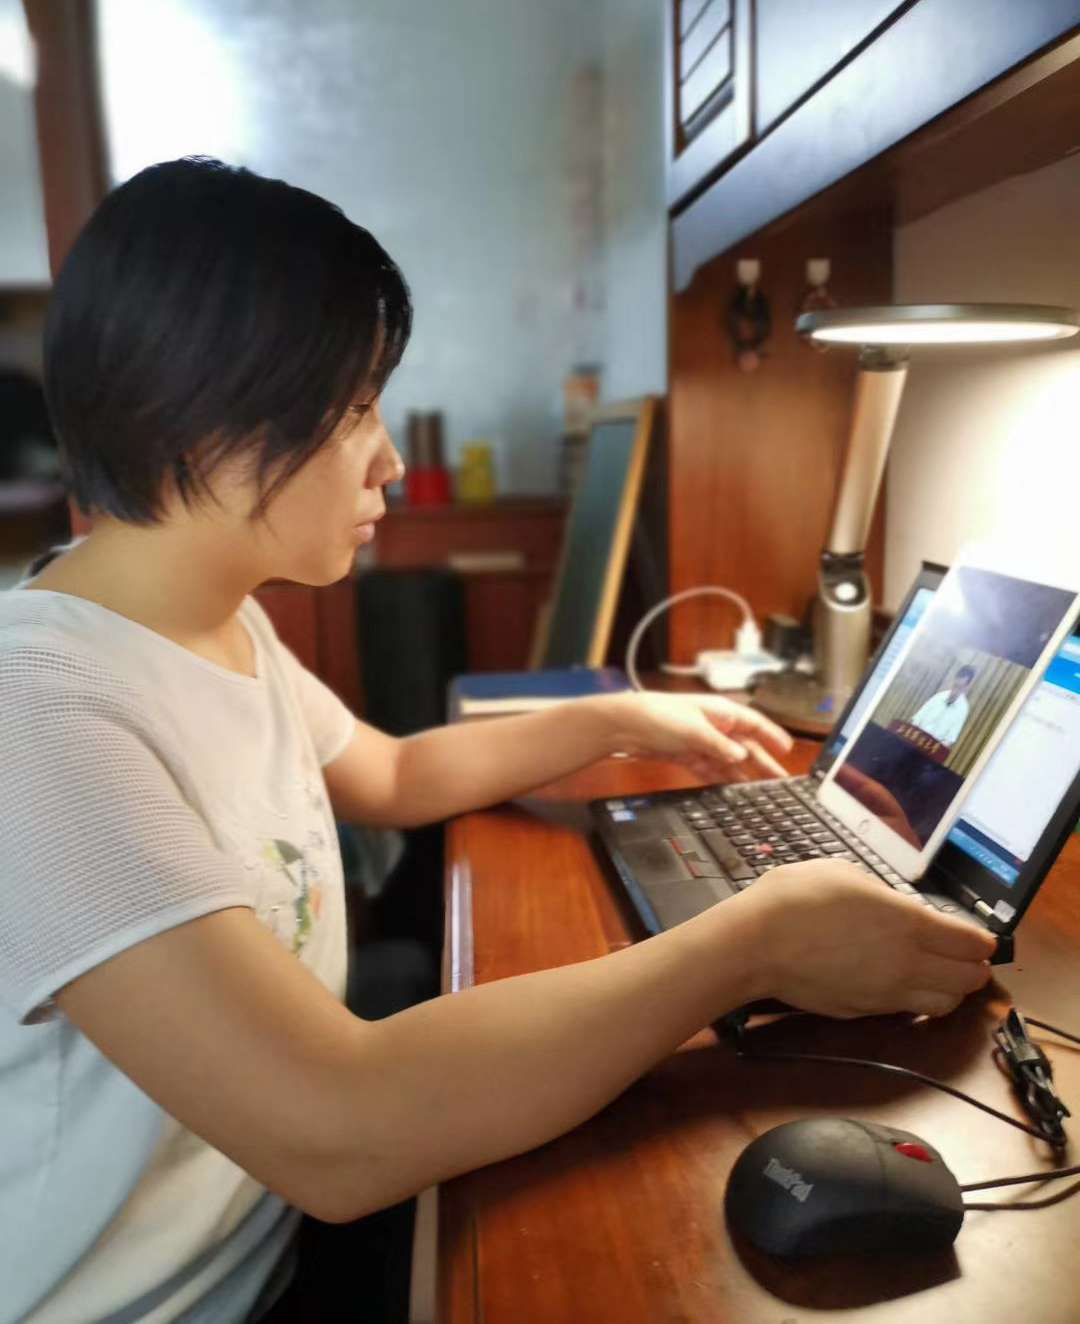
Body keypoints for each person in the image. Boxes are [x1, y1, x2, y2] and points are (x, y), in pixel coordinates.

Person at [0, 159, 997, 1324]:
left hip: (260, 1238)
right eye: (355, 409)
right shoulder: (40, 716)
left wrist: (621, 718)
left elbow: (394, 773)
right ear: (203, 426)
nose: (389, 458)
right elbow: (336, 1128)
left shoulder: (218, 618)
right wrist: (752, 944)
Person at [911, 664, 977, 749]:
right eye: (955, 686)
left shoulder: (963, 709)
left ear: (966, 687)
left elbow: (950, 738)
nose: (954, 692)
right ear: (954, 680)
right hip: (916, 739)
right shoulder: (938, 697)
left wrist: (933, 748)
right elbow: (917, 719)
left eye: (959, 688)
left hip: (932, 748)